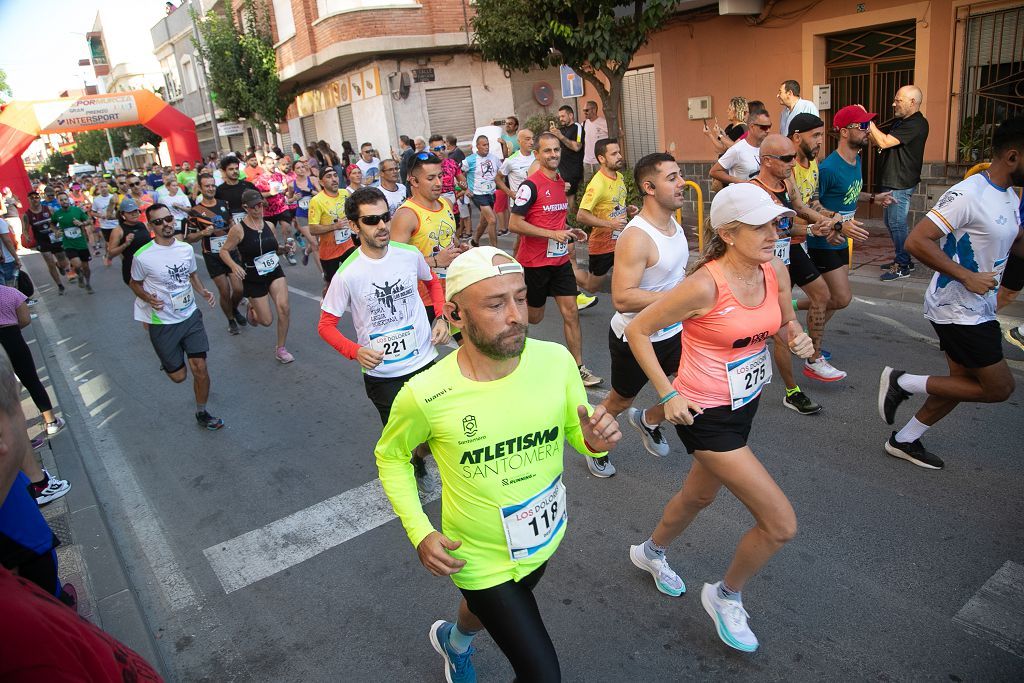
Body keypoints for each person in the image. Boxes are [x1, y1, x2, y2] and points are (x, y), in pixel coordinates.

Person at [374, 246, 621, 683]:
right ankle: (459, 639)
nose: (516, 316)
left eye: (520, 298)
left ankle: (454, 641)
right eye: (495, 303)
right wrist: (420, 531)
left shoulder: (556, 361)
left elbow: (579, 434)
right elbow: (390, 457)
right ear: (454, 315)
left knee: (493, 610)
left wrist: (595, 444)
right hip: (478, 558)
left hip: (544, 539)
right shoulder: (424, 394)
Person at [625, 182, 813, 653]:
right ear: (728, 233)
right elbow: (638, 330)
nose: (774, 233)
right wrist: (667, 393)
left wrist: (797, 339)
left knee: (697, 496)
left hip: (743, 402)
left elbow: (784, 322)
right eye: (761, 226)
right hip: (704, 412)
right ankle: (725, 595)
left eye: (776, 223)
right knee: (779, 524)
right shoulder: (704, 284)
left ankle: (649, 552)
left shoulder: (772, 270)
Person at [879, 117, 1023, 470]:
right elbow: (917, 240)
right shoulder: (969, 193)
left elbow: (1012, 242)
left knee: (961, 382)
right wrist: (966, 276)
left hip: (979, 306)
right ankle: (903, 381)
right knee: (999, 387)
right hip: (958, 309)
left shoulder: (1008, 195)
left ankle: (904, 439)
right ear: (1014, 157)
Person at [318, 187, 449, 494]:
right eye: (371, 220)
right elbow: (325, 326)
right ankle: (409, 469)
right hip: (384, 374)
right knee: (402, 441)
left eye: (385, 217)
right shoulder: (348, 273)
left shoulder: (409, 254)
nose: (382, 226)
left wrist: (440, 317)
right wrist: (356, 351)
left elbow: (433, 282)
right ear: (354, 226)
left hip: (424, 361)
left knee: (436, 433)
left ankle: (419, 460)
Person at [601, 152, 689, 470]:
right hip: (636, 338)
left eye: (680, 175)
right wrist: (678, 298)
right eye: (673, 178)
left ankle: (648, 420)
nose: (682, 183)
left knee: (695, 387)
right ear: (649, 187)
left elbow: (676, 277)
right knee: (619, 400)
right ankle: (592, 444)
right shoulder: (637, 237)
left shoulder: (674, 225)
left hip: (675, 331)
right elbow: (622, 298)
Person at [750, 132, 838, 413]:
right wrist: (812, 228)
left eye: (793, 156)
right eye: (786, 158)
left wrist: (820, 225)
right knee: (782, 329)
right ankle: (792, 391)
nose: (792, 162)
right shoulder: (753, 192)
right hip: (765, 258)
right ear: (766, 161)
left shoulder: (787, 182)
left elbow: (797, 210)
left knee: (823, 294)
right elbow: (769, 232)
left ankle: (814, 356)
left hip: (789, 250)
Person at [803, 105, 892, 381]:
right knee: (839, 298)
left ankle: (805, 331)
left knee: (831, 298)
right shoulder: (828, 167)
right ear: (844, 131)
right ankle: (811, 352)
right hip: (825, 239)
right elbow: (811, 202)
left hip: (842, 239)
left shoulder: (857, 161)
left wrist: (874, 199)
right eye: (862, 126)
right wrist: (836, 222)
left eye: (867, 126)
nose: (868, 131)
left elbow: (850, 194)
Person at [509, 131, 603, 388]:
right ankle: (512, 355)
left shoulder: (560, 182)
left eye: (556, 150)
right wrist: (552, 233)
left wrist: (570, 231)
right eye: (547, 151)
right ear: (537, 155)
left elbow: (554, 218)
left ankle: (578, 367)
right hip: (534, 263)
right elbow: (514, 223)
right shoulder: (529, 186)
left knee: (570, 312)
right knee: (535, 318)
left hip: (559, 261)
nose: (553, 155)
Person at [129, 204, 223, 430]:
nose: (166, 224)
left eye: (168, 219)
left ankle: (202, 412)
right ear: (151, 226)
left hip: (190, 315)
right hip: (163, 322)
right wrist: (147, 298)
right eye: (159, 222)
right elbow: (134, 283)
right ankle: (169, 360)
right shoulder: (142, 257)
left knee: (200, 367)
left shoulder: (185, 249)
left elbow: (191, 275)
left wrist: (203, 291)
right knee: (179, 377)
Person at [219, 189, 295, 363]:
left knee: (284, 308)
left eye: (261, 204)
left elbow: (274, 248)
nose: (258, 209)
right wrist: (234, 265)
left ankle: (280, 349)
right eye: (254, 206)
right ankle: (252, 309)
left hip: (274, 271)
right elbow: (224, 251)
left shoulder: (269, 226)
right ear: (246, 207)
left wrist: (284, 249)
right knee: (266, 321)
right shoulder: (238, 230)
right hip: (253, 277)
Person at [390, 152, 462, 322]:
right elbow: (394, 262)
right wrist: (436, 261)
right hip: (424, 298)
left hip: (453, 289)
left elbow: (449, 239)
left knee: (468, 344)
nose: (438, 183)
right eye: (430, 178)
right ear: (414, 181)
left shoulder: (446, 203)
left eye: (440, 176)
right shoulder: (406, 215)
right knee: (423, 347)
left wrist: (461, 249)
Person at [868, 85, 929, 281]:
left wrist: (867, 122)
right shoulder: (901, 122)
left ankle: (902, 265)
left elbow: (884, 142)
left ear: (913, 102)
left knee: (896, 223)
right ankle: (903, 258)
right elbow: (878, 139)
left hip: (900, 181)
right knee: (890, 222)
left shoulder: (917, 123)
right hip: (893, 180)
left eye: (898, 100)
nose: (893, 103)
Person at [0, 284, 66, 441]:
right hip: (13, 340)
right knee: (31, 380)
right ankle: (51, 421)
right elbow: (25, 319)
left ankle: (13, 433)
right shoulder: (11, 293)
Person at [574, 138, 637, 299]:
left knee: (630, 279)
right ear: (602, 159)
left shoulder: (620, 177)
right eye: (614, 153)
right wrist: (610, 224)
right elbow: (581, 215)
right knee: (592, 286)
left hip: (621, 240)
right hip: (602, 245)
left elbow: (612, 204)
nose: (619, 156)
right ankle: (567, 268)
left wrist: (627, 209)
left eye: (619, 152)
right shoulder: (598, 184)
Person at [186, 173, 247, 335]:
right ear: (200, 188)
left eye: (213, 185)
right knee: (225, 291)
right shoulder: (195, 211)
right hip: (212, 256)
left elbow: (233, 226)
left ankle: (233, 309)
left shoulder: (223, 204)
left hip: (231, 252)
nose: (211, 188)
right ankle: (231, 319)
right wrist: (203, 233)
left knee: (239, 289)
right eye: (207, 186)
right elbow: (189, 238)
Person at [306, 167, 353, 289]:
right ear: (321, 182)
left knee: (355, 279)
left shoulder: (345, 193)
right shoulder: (316, 201)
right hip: (329, 251)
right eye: (329, 177)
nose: (334, 179)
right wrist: (334, 226)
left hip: (348, 245)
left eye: (335, 175)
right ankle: (326, 304)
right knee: (332, 287)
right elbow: (312, 229)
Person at [710, 108, 771, 186]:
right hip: (741, 195)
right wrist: (741, 182)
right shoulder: (737, 149)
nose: (768, 130)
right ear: (752, 127)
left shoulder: (768, 148)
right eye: (764, 127)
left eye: (769, 126)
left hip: (761, 195)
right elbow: (714, 171)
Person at [23, 192, 68, 294]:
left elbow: (57, 221)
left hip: (54, 237)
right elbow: (25, 229)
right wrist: (27, 237)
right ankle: (59, 285)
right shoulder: (27, 215)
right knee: (50, 263)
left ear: (40, 198)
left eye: (37, 197)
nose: (35, 199)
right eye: (32, 198)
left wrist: (59, 230)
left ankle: (60, 265)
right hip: (42, 240)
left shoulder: (48, 209)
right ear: (28, 200)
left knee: (63, 260)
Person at [51, 192, 93, 293]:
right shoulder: (57, 214)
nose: (64, 201)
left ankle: (87, 283)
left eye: (65, 199)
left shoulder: (77, 210)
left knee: (86, 267)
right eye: (61, 200)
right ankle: (79, 274)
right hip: (68, 243)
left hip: (81, 243)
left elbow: (89, 220)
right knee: (77, 264)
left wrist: (81, 223)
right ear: (58, 202)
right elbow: (52, 224)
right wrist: (56, 231)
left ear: (68, 200)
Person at [463, 136, 501, 247]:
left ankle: (474, 241)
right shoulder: (470, 160)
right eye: (484, 145)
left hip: (491, 193)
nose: (487, 147)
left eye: (488, 144)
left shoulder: (494, 158)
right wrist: (465, 188)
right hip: (478, 194)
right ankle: (494, 249)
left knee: (484, 222)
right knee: (492, 220)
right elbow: (458, 173)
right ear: (478, 146)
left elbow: (502, 171)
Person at [106, 198, 153, 286]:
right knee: (146, 297)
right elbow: (111, 253)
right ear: (123, 214)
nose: (134, 214)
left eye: (135, 211)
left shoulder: (144, 225)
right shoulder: (118, 230)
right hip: (132, 269)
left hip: (149, 267)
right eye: (130, 212)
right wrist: (125, 244)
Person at [285, 158, 321, 268]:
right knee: (315, 244)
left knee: (319, 242)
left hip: (316, 214)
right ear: (294, 171)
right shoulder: (292, 184)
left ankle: (306, 252)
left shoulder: (313, 180)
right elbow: (289, 200)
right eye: (298, 168)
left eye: (302, 167)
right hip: (302, 215)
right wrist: (294, 198)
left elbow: (321, 194)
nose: (301, 169)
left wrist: (309, 190)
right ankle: (324, 274)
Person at [550, 105, 585, 208]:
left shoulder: (577, 127)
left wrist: (560, 136)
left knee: (571, 200)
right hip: (561, 170)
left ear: (571, 115)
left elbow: (577, 147)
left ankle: (575, 221)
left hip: (573, 170)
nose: (561, 119)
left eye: (563, 116)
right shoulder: (562, 129)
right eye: (559, 116)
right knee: (562, 200)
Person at [215, 155, 259, 228]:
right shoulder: (219, 190)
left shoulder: (248, 185)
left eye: (236, 168)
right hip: (233, 228)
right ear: (224, 171)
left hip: (253, 224)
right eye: (231, 169)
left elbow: (263, 202)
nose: (235, 171)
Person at [581, 101, 609, 190]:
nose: (584, 113)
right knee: (588, 187)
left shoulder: (604, 122)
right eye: (583, 110)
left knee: (603, 185)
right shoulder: (584, 124)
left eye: (586, 110)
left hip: (600, 161)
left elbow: (619, 134)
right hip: (587, 161)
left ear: (594, 110)